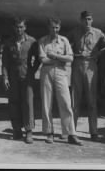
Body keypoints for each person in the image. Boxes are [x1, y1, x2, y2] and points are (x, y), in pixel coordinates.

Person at [38, 17, 82, 145]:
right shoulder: (42, 41)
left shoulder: (64, 41)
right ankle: (49, 132)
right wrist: (60, 59)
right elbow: (43, 59)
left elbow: (70, 58)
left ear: (60, 28)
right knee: (47, 103)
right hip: (46, 72)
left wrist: (55, 56)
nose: (55, 30)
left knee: (66, 103)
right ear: (48, 27)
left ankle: (70, 133)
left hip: (61, 73)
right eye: (52, 27)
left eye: (57, 27)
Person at [68, 11, 105, 141]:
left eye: (89, 19)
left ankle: (94, 131)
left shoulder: (98, 33)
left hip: (91, 66)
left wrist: (98, 54)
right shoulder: (75, 32)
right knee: (75, 99)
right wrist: (70, 54)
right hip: (77, 64)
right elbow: (64, 42)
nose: (87, 22)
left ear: (92, 20)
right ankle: (72, 131)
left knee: (92, 101)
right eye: (85, 19)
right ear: (80, 20)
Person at [2, 17, 40, 144]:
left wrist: (32, 71)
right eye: (17, 27)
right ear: (14, 28)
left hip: (26, 75)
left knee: (28, 103)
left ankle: (29, 131)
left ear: (25, 28)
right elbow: (5, 62)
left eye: (21, 27)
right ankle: (17, 129)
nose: (19, 30)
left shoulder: (32, 41)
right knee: (14, 102)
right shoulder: (9, 43)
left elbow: (38, 58)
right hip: (13, 75)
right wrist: (5, 77)